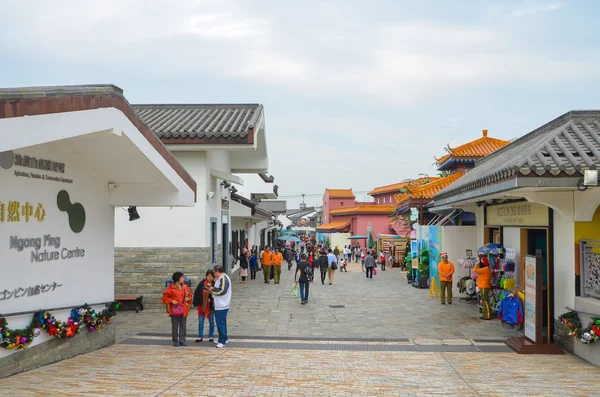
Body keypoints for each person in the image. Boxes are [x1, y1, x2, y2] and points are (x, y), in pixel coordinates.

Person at [162, 271, 192, 347]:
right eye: (182, 277)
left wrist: (188, 298)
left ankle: (182, 340)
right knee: (175, 326)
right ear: (177, 279)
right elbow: (164, 298)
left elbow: (190, 296)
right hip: (175, 310)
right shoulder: (170, 288)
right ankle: (175, 340)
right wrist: (171, 300)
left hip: (184, 309)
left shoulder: (185, 287)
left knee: (183, 326)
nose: (183, 279)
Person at [205, 265, 231, 348]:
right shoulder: (220, 279)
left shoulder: (224, 279)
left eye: (214, 272)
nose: (213, 274)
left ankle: (222, 341)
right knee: (222, 322)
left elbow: (222, 291)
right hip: (220, 304)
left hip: (222, 304)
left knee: (220, 323)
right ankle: (224, 338)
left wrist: (212, 290)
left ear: (217, 272)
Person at [193, 269, 215, 343]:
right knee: (201, 321)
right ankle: (200, 336)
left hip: (211, 306)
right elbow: (196, 293)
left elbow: (217, 294)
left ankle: (211, 336)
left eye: (211, 276)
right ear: (206, 276)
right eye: (208, 276)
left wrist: (211, 297)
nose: (210, 278)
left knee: (211, 321)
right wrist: (195, 304)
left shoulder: (215, 284)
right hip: (201, 306)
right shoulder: (202, 283)